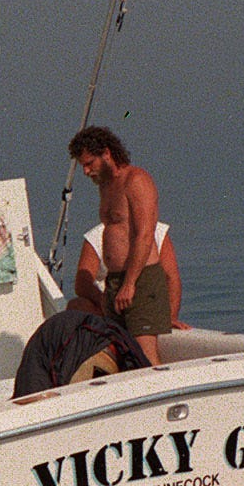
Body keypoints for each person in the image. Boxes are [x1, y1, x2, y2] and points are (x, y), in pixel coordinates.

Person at [67, 125, 169, 365]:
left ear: (106, 154)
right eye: (82, 165)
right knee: (122, 352)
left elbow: (144, 235)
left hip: (140, 279)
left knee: (145, 354)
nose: (85, 171)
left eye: (89, 163)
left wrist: (130, 283)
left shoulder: (136, 180)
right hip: (115, 281)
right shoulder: (105, 187)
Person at [72, 222, 188, 330]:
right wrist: (105, 303)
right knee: (78, 305)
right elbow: (82, 284)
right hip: (106, 306)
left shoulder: (157, 231)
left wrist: (171, 317)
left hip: (146, 304)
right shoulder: (97, 236)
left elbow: (171, 278)